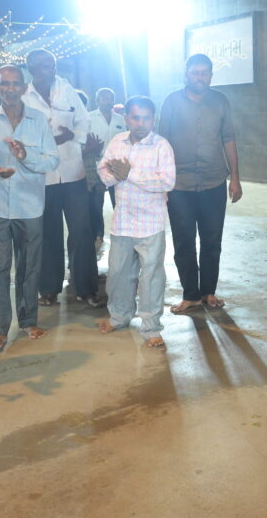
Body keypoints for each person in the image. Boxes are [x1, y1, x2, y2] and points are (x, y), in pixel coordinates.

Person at [0, 65, 59, 351]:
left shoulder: (38, 120)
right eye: (4, 84)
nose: (9, 89)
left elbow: (52, 160)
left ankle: (28, 321)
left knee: (29, 266)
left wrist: (25, 156)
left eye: (15, 84)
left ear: (24, 87)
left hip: (29, 206)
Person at [158, 54, 242, 313]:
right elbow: (161, 142)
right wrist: (161, 182)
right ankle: (190, 295)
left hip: (213, 181)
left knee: (212, 240)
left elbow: (229, 139)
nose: (200, 77)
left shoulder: (221, 101)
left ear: (211, 76)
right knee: (183, 241)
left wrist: (235, 178)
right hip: (179, 185)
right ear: (186, 75)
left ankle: (208, 292)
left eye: (204, 72)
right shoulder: (172, 101)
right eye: (195, 72)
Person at [21, 49, 103, 307]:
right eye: (44, 64)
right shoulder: (24, 96)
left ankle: (85, 288)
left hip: (72, 171)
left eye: (52, 64)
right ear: (31, 68)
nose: (50, 68)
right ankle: (48, 289)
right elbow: (20, 133)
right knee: (48, 232)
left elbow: (83, 121)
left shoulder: (66, 89)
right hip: (42, 175)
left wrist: (73, 138)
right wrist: (48, 142)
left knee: (82, 230)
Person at [97, 96, 176, 348]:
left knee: (151, 277)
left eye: (147, 118)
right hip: (122, 221)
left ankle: (151, 327)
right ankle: (119, 317)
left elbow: (167, 182)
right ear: (126, 118)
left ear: (154, 119)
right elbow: (104, 173)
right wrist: (116, 175)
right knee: (118, 274)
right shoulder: (117, 142)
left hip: (151, 224)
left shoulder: (161, 146)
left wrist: (128, 174)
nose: (141, 123)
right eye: (135, 118)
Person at [86, 87, 125, 243]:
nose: (108, 101)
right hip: (97, 166)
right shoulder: (89, 118)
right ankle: (98, 235)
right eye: (104, 98)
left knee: (120, 202)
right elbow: (84, 141)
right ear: (98, 101)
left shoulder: (120, 120)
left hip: (116, 167)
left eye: (110, 98)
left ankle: (122, 233)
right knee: (96, 204)